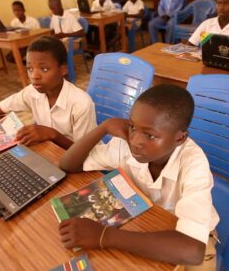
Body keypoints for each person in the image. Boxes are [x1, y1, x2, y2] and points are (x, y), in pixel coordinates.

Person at [58, 84, 219, 269]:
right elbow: (68, 164)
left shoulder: (194, 164)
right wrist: (103, 128)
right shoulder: (125, 143)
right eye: (132, 126)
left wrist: (104, 236)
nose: (135, 141)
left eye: (149, 136)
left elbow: (192, 250)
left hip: (189, 236)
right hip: (145, 221)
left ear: (180, 138)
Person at [0, 36, 97, 150]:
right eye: (30, 69)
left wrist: (53, 134)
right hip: (47, 152)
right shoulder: (32, 92)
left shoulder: (81, 104)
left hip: (76, 160)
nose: (34, 76)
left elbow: (83, 152)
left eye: (44, 69)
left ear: (63, 70)